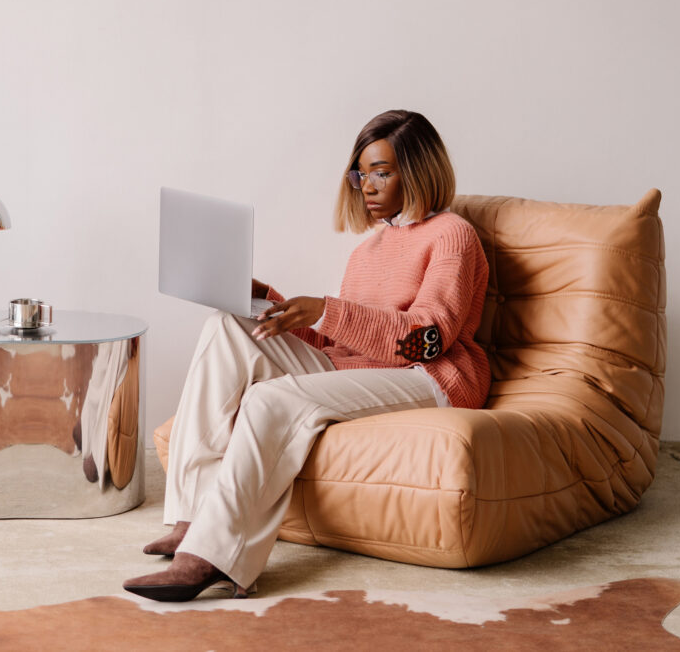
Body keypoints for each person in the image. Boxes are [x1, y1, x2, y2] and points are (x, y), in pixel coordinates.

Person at [124, 110, 490, 602]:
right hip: (365, 371)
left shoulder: (452, 235)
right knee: (226, 326)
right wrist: (271, 304)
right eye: (362, 174)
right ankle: (192, 518)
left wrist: (326, 310)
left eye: (382, 172)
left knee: (270, 399)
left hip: (433, 377)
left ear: (419, 169)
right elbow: (342, 347)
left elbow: (427, 339)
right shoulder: (368, 252)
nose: (368, 185)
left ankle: (213, 556)